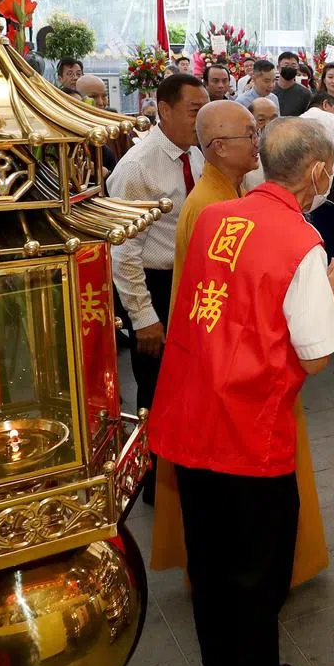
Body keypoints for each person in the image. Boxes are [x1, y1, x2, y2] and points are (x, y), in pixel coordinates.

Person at [148, 117, 334, 666]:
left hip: (192, 423)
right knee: (255, 582)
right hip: (248, 437)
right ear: (317, 172)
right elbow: (316, 356)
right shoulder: (301, 242)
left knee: (213, 579)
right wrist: (333, 298)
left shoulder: (217, 216)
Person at [108, 73, 209, 501]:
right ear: (163, 109)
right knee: (156, 387)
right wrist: (144, 318)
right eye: (193, 111)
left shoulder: (198, 155)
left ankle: (183, 468)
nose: (201, 119)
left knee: (190, 381)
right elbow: (123, 251)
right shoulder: (137, 167)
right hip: (155, 283)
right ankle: (151, 480)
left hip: (191, 282)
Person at [244, 97, 280, 190]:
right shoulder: (244, 153)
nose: (268, 125)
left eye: (273, 119)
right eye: (261, 120)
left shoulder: (286, 146)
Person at [274, 51, 313, 117]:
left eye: (293, 65)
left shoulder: (305, 93)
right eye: (286, 65)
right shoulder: (269, 90)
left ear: (297, 68)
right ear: (278, 68)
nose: (289, 68)